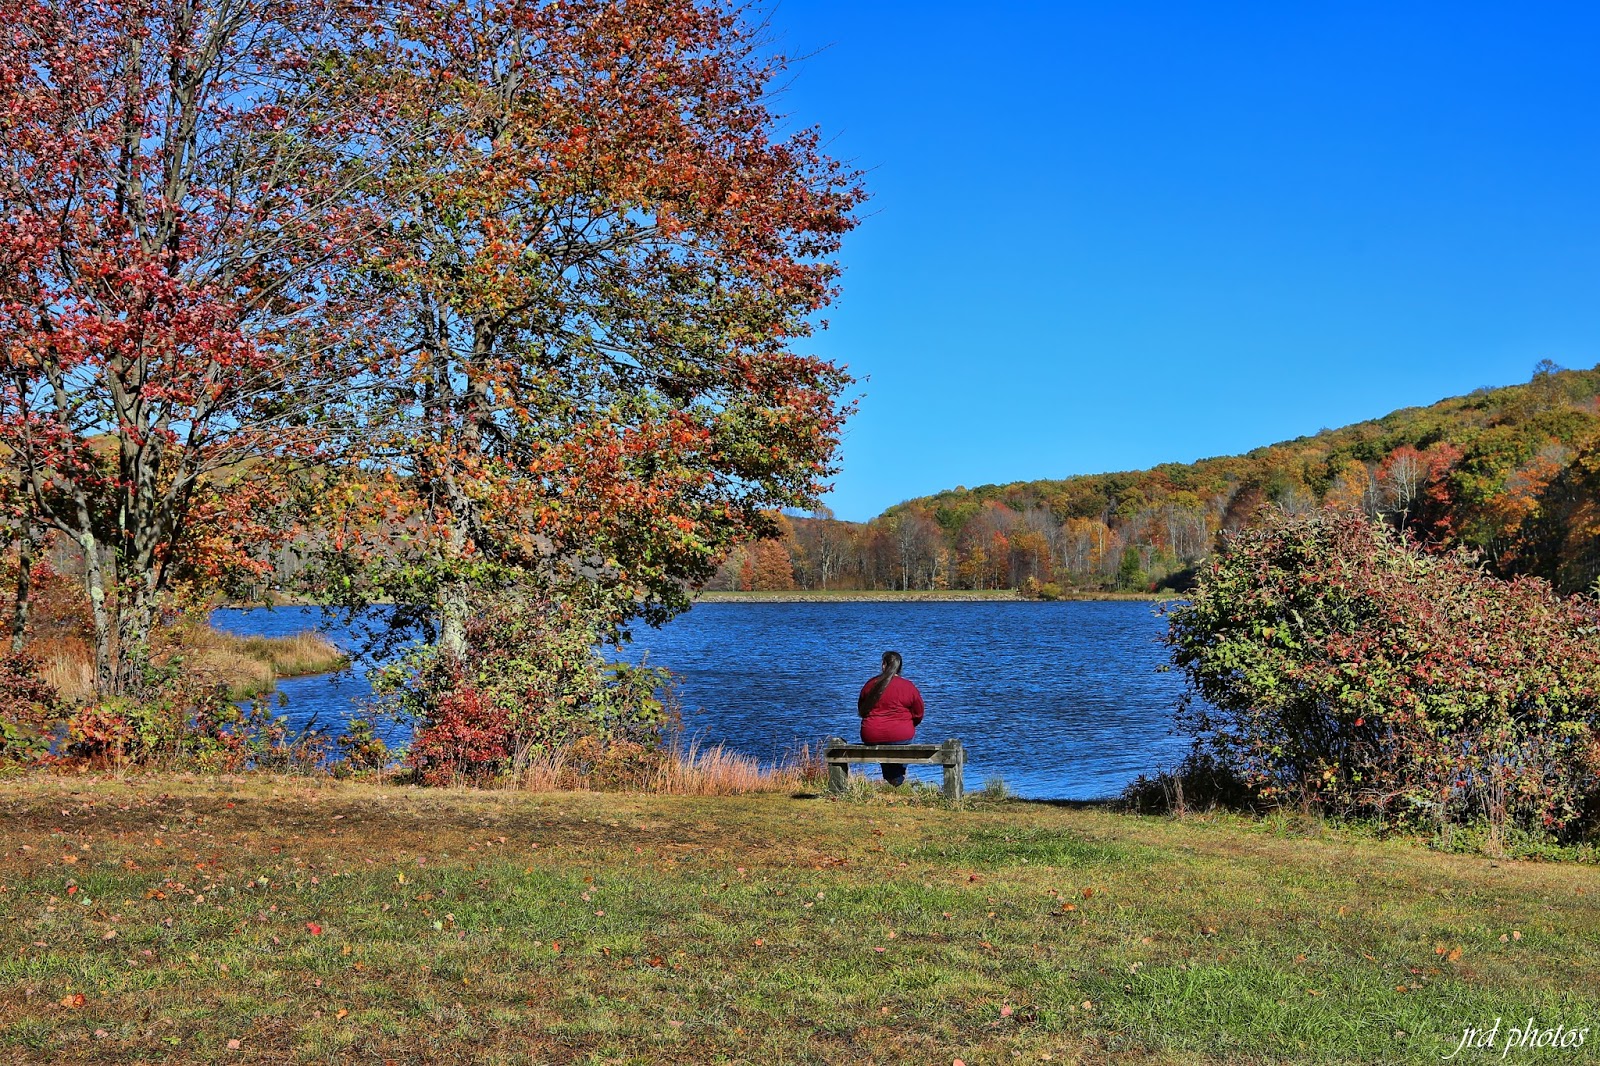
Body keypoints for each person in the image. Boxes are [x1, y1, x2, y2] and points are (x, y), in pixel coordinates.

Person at [857, 650, 924, 786]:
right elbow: (918, 713)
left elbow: (861, 709)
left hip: (872, 734)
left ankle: (893, 779)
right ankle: (896, 779)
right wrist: (908, 725)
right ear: (900, 667)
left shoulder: (870, 685)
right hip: (901, 735)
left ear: (884, 665)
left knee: (884, 741)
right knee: (897, 742)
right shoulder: (908, 686)